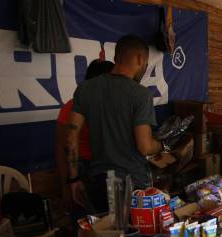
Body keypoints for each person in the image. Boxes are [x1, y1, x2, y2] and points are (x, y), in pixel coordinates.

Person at [66, 35, 163, 213]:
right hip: (132, 185)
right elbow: (145, 147)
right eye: (146, 62)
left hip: (99, 183)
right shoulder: (140, 95)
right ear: (140, 58)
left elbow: (71, 137)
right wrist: (161, 145)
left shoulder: (85, 89)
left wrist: (73, 179)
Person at [56, 59, 114, 213]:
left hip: (106, 171)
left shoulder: (112, 105)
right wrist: (66, 186)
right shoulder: (72, 106)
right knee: (86, 223)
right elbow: (62, 148)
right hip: (81, 171)